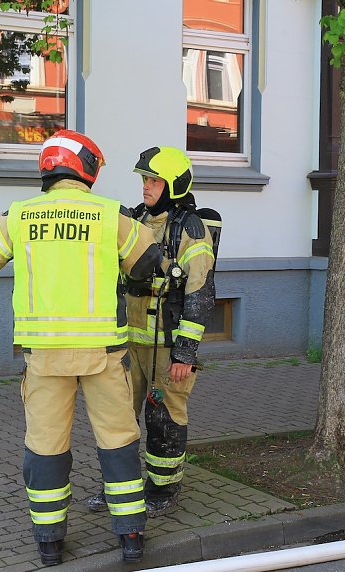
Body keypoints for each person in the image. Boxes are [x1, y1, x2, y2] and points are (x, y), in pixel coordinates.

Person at [0, 130, 162, 566]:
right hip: (104, 355)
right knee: (118, 443)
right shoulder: (108, 214)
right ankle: (131, 537)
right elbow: (149, 261)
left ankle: (50, 544)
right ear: (86, 167)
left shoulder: (21, 216)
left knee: (46, 446)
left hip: (45, 357)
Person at [86, 146, 217, 517]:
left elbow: (200, 293)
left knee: (164, 416)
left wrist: (185, 354)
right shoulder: (135, 218)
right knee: (117, 416)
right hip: (128, 341)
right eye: (144, 179)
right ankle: (119, 488)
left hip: (166, 344)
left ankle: (163, 488)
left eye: (154, 180)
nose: (146, 186)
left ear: (174, 185)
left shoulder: (191, 230)